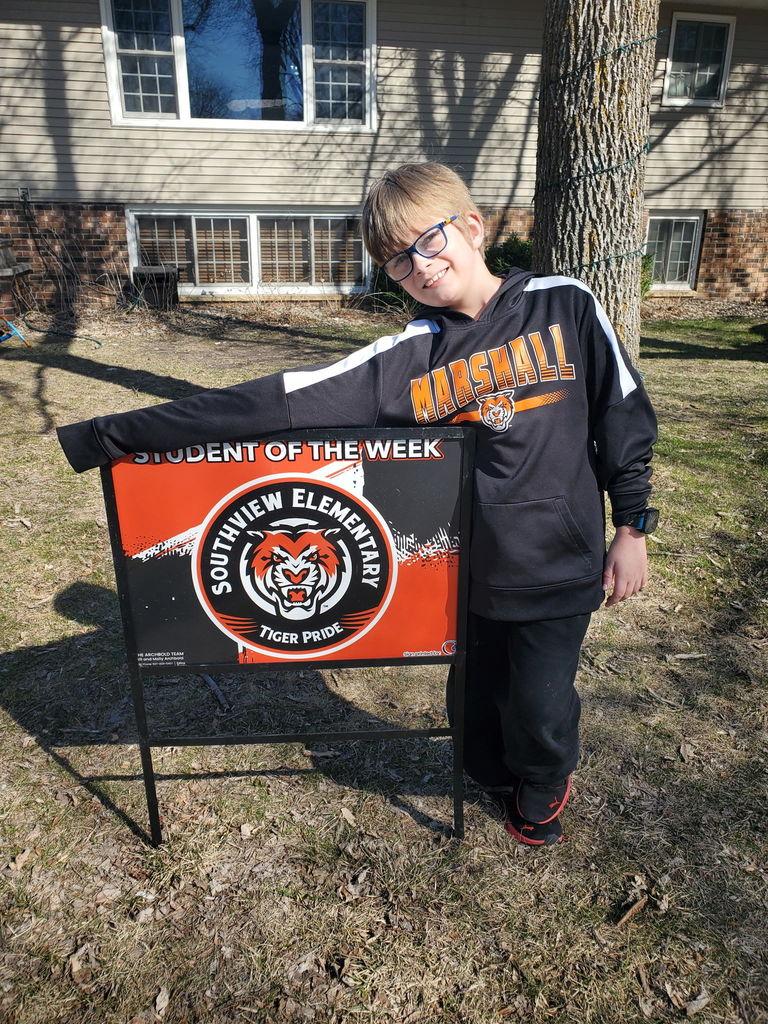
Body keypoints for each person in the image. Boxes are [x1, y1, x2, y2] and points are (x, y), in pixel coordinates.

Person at [57, 162, 658, 846]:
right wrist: (108, 436)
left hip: (560, 562)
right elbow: (279, 399)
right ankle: (490, 772)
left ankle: (545, 780)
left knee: (541, 703)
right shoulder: (411, 357)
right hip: (468, 574)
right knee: (476, 700)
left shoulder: (565, 304)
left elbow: (623, 417)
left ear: (471, 227)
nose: (420, 266)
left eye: (428, 241)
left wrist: (632, 526)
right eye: (398, 260)